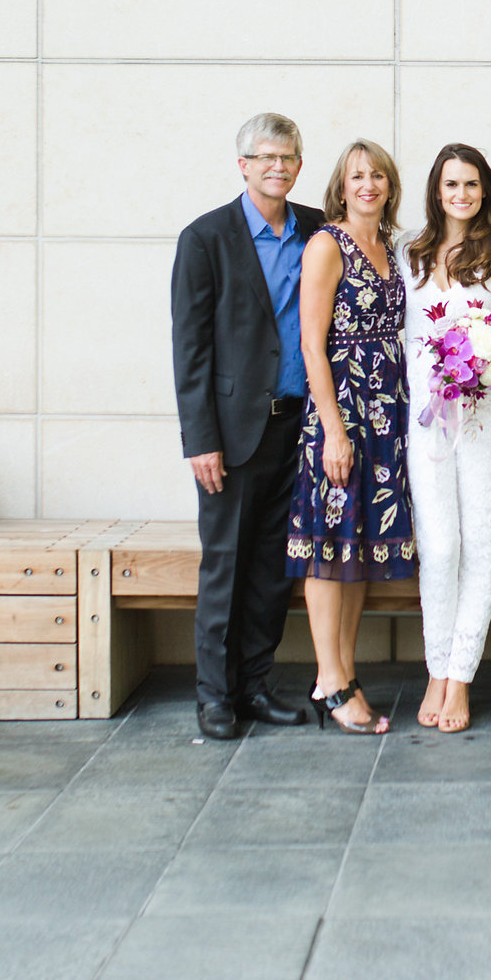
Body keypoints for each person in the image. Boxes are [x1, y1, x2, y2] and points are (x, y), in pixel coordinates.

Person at [171, 112, 323, 740]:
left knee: (272, 569)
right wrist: (200, 439)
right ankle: (214, 696)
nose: (277, 168)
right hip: (233, 435)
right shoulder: (205, 238)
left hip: (298, 430)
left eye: (287, 158)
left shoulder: (318, 230)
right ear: (243, 165)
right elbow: (191, 349)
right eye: (265, 158)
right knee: (226, 564)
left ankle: (255, 686)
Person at [399, 144, 491, 734]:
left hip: (486, 418)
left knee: (480, 544)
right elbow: (404, 339)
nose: (461, 195)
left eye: (472, 184)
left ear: (485, 190)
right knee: (441, 546)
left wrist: (486, 358)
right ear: (436, 190)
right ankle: (435, 665)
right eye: (451, 185)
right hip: (428, 422)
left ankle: (460, 678)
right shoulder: (411, 252)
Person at [286, 140, 414, 733]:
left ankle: (342, 671)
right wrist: (333, 430)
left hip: (387, 414)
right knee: (328, 545)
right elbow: (312, 343)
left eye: (378, 176)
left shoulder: (391, 247)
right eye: (357, 176)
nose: (368, 184)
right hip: (342, 415)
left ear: (389, 185)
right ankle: (331, 681)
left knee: (358, 547)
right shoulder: (325, 245)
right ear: (340, 186)